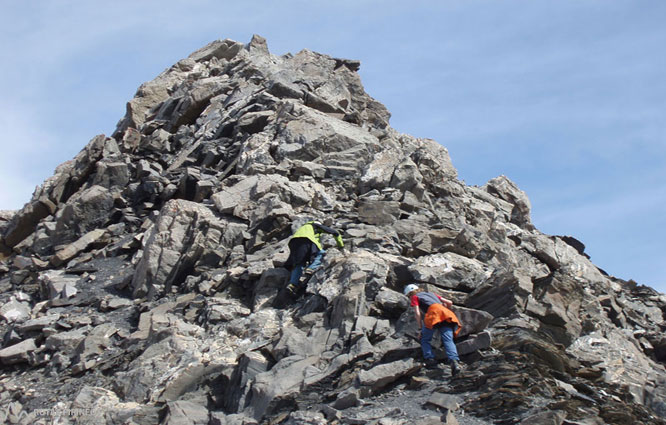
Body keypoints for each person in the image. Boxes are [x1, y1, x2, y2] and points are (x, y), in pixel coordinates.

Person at [404, 283, 463, 375]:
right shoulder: (431, 294)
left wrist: (420, 328)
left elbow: (417, 313)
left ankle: (430, 360)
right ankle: (454, 362)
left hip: (433, 314)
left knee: (424, 339)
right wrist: (444, 310)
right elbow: (449, 302)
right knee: (448, 340)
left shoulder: (415, 297)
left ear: (409, 294)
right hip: (446, 314)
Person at [283, 219, 344, 294]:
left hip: (294, 243)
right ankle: (311, 268)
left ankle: (292, 284)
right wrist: (341, 245)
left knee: (299, 263)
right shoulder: (315, 225)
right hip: (307, 240)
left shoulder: (302, 228)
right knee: (321, 253)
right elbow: (335, 232)